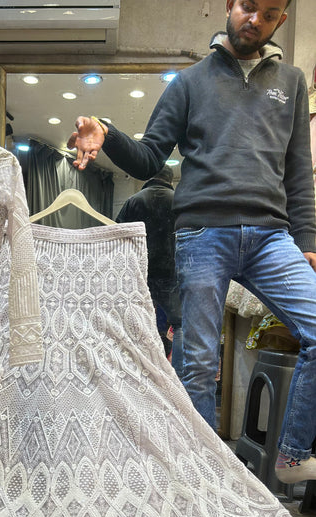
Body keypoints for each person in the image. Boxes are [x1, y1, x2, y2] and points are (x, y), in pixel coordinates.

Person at [68, 0, 316, 485]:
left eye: (268, 13)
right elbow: (148, 158)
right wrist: (109, 134)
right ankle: (201, 483)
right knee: (199, 363)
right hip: (204, 231)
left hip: (271, 235)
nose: (254, 19)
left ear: (280, 20)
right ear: (229, 5)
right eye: (247, 6)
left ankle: (291, 456)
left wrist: (307, 239)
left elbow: (298, 174)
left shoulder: (292, 83)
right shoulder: (189, 83)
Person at [116, 164, 183, 379]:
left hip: (139, 273)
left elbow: (117, 235)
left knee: (134, 325)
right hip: (172, 273)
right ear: (170, 180)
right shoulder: (180, 202)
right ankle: (177, 379)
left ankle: (135, 375)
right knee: (180, 325)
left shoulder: (134, 201)